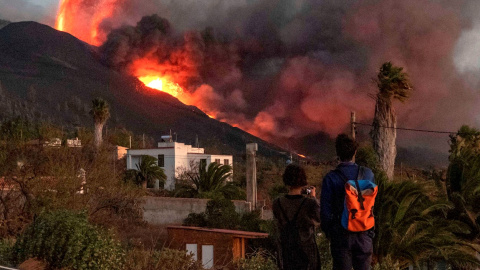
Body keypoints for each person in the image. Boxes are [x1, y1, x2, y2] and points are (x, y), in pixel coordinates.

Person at [320, 134, 375, 270]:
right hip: (364, 233)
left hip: (341, 235)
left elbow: (325, 212)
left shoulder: (331, 178)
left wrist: (330, 232)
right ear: (355, 152)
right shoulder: (368, 174)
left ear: (337, 153)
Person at [273, 164, 321, 270]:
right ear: (303, 181)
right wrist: (313, 198)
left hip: (286, 251)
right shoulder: (309, 203)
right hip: (307, 251)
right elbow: (319, 218)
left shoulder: (277, 203)